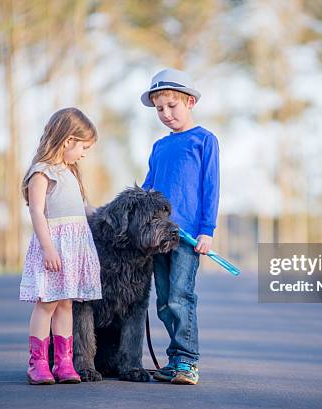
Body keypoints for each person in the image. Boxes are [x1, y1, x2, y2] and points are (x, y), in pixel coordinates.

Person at [141, 68, 220, 385]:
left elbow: (210, 188)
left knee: (180, 297)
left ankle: (188, 361)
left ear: (189, 102)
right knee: (163, 302)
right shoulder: (159, 147)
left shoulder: (204, 140)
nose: (166, 113)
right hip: (157, 237)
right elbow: (148, 189)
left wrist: (207, 230)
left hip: (187, 238)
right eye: (160, 108)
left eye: (172, 105)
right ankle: (175, 360)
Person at [19, 107, 103, 385]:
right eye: (83, 147)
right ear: (68, 140)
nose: (83, 153)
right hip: (54, 247)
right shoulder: (41, 173)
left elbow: (82, 209)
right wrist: (48, 248)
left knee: (66, 304)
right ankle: (38, 362)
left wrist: (102, 214)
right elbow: (36, 212)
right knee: (48, 304)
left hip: (74, 248)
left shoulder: (71, 172)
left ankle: (64, 362)